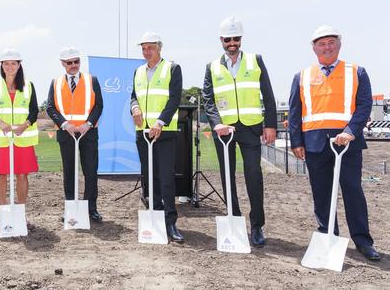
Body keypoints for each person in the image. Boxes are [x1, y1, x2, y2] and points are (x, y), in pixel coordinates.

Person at [288, 25, 380, 261]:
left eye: (331, 42)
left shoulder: (356, 72)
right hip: (315, 144)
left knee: (352, 191)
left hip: (347, 143)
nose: (326, 47)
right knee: (322, 193)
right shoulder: (302, 76)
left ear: (339, 44)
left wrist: (350, 131)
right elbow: (295, 111)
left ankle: (363, 241)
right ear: (313, 48)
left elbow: (364, 105)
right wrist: (296, 142)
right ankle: (327, 235)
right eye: (321, 43)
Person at [201, 16, 276, 247]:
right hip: (224, 130)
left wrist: (271, 124)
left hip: (251, 128)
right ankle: (233, 218)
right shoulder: (211, 67)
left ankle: (257, 226)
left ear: (240, 39)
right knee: (227, 175)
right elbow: (208, 99)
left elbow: (268, 94)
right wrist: (216, 124)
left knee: (254, 174)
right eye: (227, 39)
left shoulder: (256, 61)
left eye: (236, 38)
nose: (232, 43)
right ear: (221, 40)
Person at [130, 31, 184, 242]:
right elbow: (133, 95)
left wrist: (160, 123)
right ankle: (155, 216)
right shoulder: (138, 71)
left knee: (166, 178)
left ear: (159, 48)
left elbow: (174, 99)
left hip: (165, 133)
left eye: (150, 47)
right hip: (143, 133)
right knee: (148, 177)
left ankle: (171, 223)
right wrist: (134, 108)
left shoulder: (172, 68)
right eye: (143, 48)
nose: (146, 52)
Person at [46, 46, 104, 222]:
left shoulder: (91, 80)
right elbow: (50, 108)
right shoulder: (55, 83)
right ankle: (70, 208)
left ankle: (91, 209)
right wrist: (65, 125)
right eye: (69, 62)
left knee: (91, 172)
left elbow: (99, 106)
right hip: (67, 134)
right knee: (69, 173)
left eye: (76, 62)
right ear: (63, 64)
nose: (74, 65)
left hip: (88, 133)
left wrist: (88, 124)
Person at [0, 48, 39, 221]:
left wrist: (25, 125)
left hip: (23, 138)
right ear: (1, 66)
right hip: (1, 139)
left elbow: (34, 110)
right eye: (6, 64)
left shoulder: (28, 86)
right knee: (1, 175)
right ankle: (3, 211)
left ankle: (21, 212)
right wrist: (0, 123)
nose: (10, 67)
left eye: (13, 63)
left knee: (22, 174)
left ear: (19, 65)